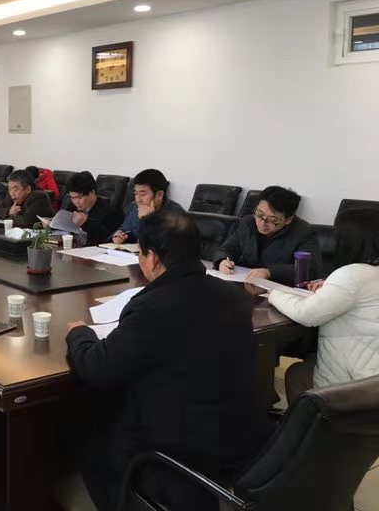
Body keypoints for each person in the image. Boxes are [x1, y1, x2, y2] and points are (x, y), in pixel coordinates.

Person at [66, 212, 269, 510]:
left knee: (90, 431)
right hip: (242, 434)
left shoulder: (152, 306)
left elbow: (96, 367)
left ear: (151, 258)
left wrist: (79, 334)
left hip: (180, 446)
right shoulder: (233, 297)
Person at [269, 208, 379, 403]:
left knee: (298, 373)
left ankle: (316, 422)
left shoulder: (351, 275)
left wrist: (273, 291)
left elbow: (305, 314)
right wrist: (329, 286)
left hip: (357, 385)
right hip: (370, 374)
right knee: (303, 368)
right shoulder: (364, 274)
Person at [213, 186, 322, 285]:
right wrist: (222, 261)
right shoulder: (248, 223)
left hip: (279, 290)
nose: (262, 223)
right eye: (260, 214)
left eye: (272, 220)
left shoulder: (304, 232)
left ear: (288, 219)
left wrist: (270, 272)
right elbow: (226, 249)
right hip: (245, 283)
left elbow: (311, 269)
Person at [111, 168, 184, 244]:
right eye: (136, 194)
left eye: (143, 194)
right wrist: (118, 235)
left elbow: (164, 245)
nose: (138, 200)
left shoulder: (176, 214)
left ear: (159, 195)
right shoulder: (135, 207)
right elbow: (124, 229)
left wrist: (146, 220)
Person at [62, 171, 123, 246]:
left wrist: (86, 223)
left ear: (92, 192)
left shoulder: (110, 211)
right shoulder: (71, 207)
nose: (76, 202)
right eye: (72, 198)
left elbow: (107, 238)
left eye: (79, 197)